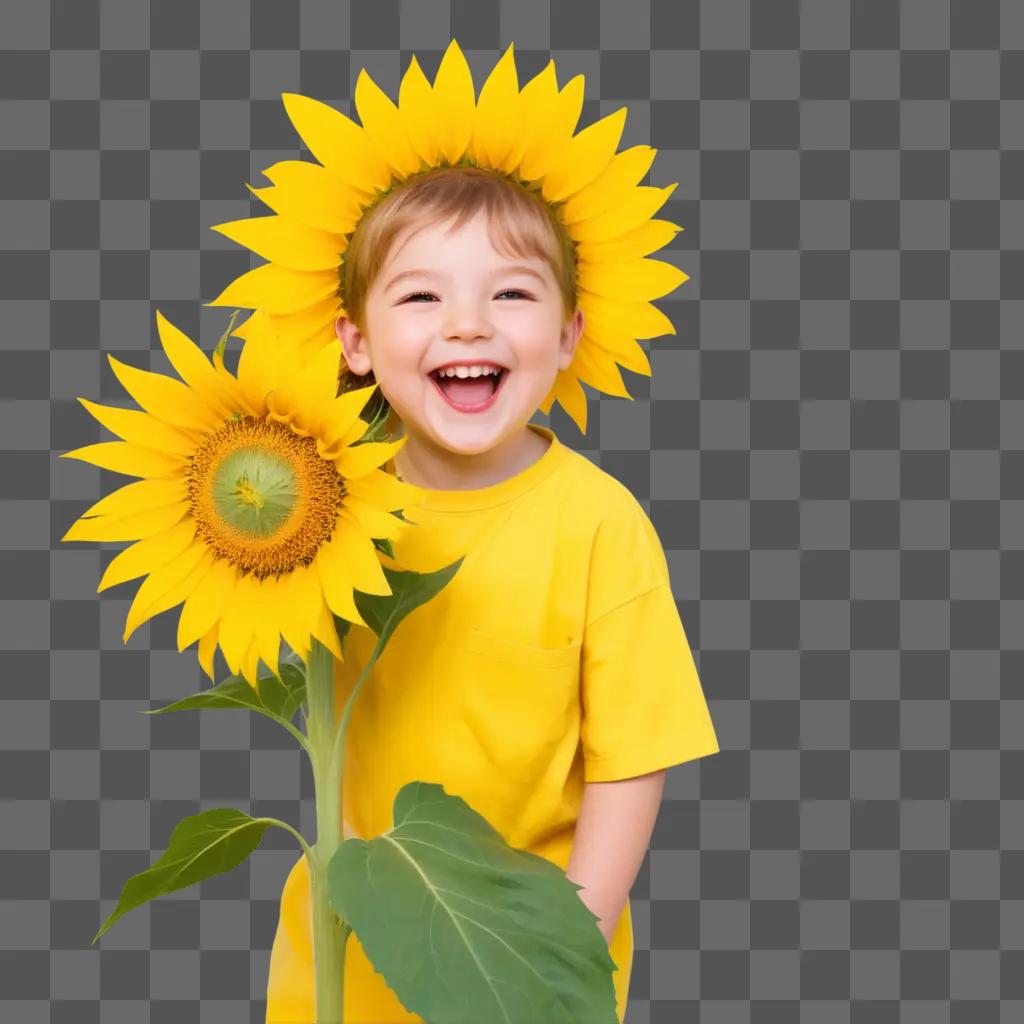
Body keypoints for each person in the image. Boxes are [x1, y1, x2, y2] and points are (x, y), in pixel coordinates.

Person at [262, 163, 721, 1023]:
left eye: (511, 293)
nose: (467, 324)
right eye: (421, 298)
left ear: (570, 334)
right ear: (353, 341)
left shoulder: (598, 523)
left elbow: (631, 759)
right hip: (343, 945)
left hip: (527, 950)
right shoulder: (325, 510)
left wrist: (569, 937)